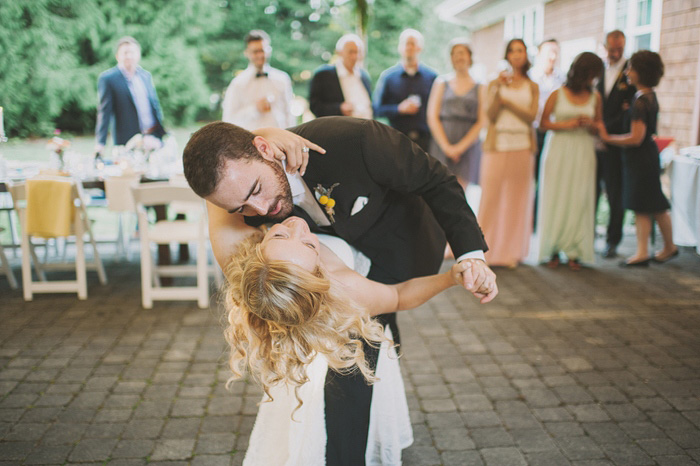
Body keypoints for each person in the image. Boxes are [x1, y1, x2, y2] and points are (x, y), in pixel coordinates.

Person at [182, 116, 497, 466]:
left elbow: (436, 180)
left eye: (255, 190)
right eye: (239, 208)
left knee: (379, 332)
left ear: (265, 150)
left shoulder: (355, 141)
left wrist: (471, 257)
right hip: (326, 284)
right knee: (353, 358)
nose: (257, 212)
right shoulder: (250, 207)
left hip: (401, 246)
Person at [226, 217, 471, 464]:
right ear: (319, 273)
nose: (298, 227)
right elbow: (398, 296)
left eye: (278, 236)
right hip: (339, 339)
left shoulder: (259, 276)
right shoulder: (346, 286)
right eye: (309, 245)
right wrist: (450, 278)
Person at [598, 51, 678, 267]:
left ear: (640, 72)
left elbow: (636, 137)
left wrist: (607, 137)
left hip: (640, 158)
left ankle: (645, 251)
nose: (627, 72)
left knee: (644, 204)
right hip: (647, 157)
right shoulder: (649, 96)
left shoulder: (641, 101)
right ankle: (663, 247)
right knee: (653, 203)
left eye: (630, 68)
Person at [537, 52, 604, 270]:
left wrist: (591, 125)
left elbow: (600, 127)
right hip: (558, 149)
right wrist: (569, 124)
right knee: (557, 196)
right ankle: (553, 249)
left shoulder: (596, 97)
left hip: (584, 150)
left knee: (579, 197)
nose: (593, 80)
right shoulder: (558, 93)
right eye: (591, 74)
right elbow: (543, 123)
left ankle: (576, 250)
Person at [477, 39, 539, 268]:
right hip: (497, 144)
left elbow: (531, 116)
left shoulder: (532, 86)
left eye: (520, 50)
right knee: (490, 198)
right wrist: (497, 91)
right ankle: (483, 249)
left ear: (525, 55)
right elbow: (490, 114)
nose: (516, 54)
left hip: (522, 145)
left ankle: (511, 251)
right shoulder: (495, 82)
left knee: (517, 200)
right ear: (507, 54)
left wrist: (508, 102)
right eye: (512, 50)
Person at [596, 30, 636, 258]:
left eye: (619, 49)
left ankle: (613, 240)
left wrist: (603, 128)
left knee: (614, 193)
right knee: (591, 191)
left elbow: (628, 110)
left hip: (614, 143)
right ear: (605, 47)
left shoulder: (630, 71)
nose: (616, 53)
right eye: (612, 49)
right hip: (593, 141)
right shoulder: (598, 69)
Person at [427, 39, 484, 189]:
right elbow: (432, 116)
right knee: (439, 189)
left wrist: (460, 148)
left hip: (468, 146)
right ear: (451, 58)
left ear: (470, 56)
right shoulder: (441, 82)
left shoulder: (480, 86)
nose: (459, 57)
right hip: (442, 142)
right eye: (455, 54)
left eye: (462, 53)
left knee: (461, 192)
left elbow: (482, 121)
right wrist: (447, 147)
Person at [95, 36, 165, 154]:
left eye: (132, 52)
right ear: (118, 56)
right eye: (125, 53)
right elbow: (104, 112)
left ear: (138, 54)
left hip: (153, 136)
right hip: (127, 142)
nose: (129, 56)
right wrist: (100, 144)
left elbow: (154, 105)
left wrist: (161, 131)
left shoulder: (145, 76)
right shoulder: (108, 79)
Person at [374, 29, 437, 151]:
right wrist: (398, 109)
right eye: (405, 43)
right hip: (396, 141)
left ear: (420, 47)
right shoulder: (388, 77)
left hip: (426, 142)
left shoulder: (432, 77)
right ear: (399, 47)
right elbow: (377, 109)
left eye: (412, 43)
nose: (409, 47)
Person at [221, 30, 295, 130]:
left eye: (263, 50)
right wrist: (255, 109)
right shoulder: (238, 83)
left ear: (269, 50)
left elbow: (289, 114)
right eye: (256, 51)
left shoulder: (282, 79)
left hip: (280, 140)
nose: (260, 55)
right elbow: (229, 120)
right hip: (251, 141)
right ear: (247, 53)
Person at [529, 39, 566, 228]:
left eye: (556, 53)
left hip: (553, 133)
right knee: (531, 178)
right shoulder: (530, 77)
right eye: (549, 52)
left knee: (548, 177)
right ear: (539, 53)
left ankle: (543, 220)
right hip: (532, 131)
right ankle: (529, 221)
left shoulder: (563, 79)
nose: (552, 57)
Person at [308, 34, 372, 119]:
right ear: (340, 52)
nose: (354, 56)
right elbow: (315, 106)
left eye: (357, 52)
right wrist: (339, 108)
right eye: (350, 52)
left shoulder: (364, 76)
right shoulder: (323, 75)